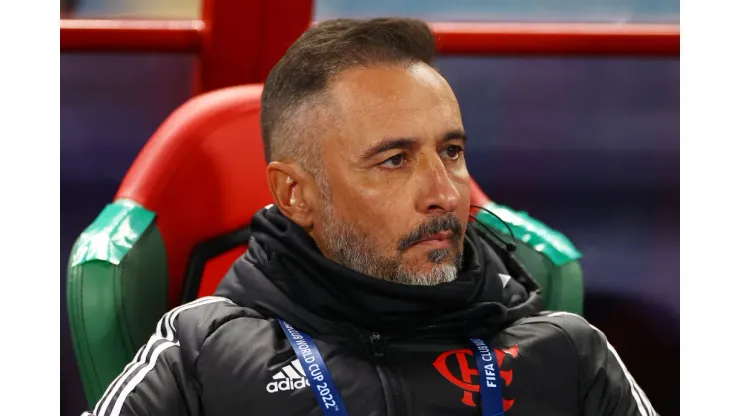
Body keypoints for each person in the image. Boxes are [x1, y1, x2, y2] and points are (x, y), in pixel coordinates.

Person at [83, 18, 657, 416]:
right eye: (394, 160)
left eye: (451, 152)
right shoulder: (200, 349)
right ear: (295, 195)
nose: (445, 194)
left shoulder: (566, 349)